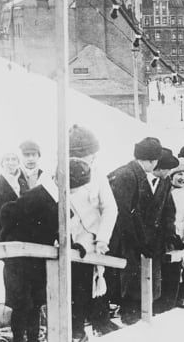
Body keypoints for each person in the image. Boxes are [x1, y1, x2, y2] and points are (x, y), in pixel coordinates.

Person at [107, 138, 171, 325]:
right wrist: (138, 242)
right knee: (124, 279)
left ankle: (131, 317)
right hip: (119, 239)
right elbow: (125, 213)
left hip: (126, 237)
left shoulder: (132, 173)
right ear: (152, 160)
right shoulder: (128, 175)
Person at [68, 125, 120, 337]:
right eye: (90, 156)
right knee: (72, 287)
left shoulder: (98, 176)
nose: (92, 161)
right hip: (66, 241)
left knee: (94, 282)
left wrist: (102, 238)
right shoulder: (57, 173)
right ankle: (75, 328)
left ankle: (100, 321)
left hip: (91, 240)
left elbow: (110, 207)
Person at [0, 170, 61, 342]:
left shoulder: (61, 201)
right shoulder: (39, 194)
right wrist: (9, 242)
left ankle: (33, 339)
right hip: (19, 262)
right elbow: (7, 211)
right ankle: (18, 339)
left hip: (38, 262)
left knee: (35, 305)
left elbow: (59, 228)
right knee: (21, 305)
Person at [157, 158, 184, 312]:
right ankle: (161, 302)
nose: (182, 178)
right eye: (179, 174)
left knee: (180, 270)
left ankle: (180, 298)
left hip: (179, 237)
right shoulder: (163, 187)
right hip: (161, 235)